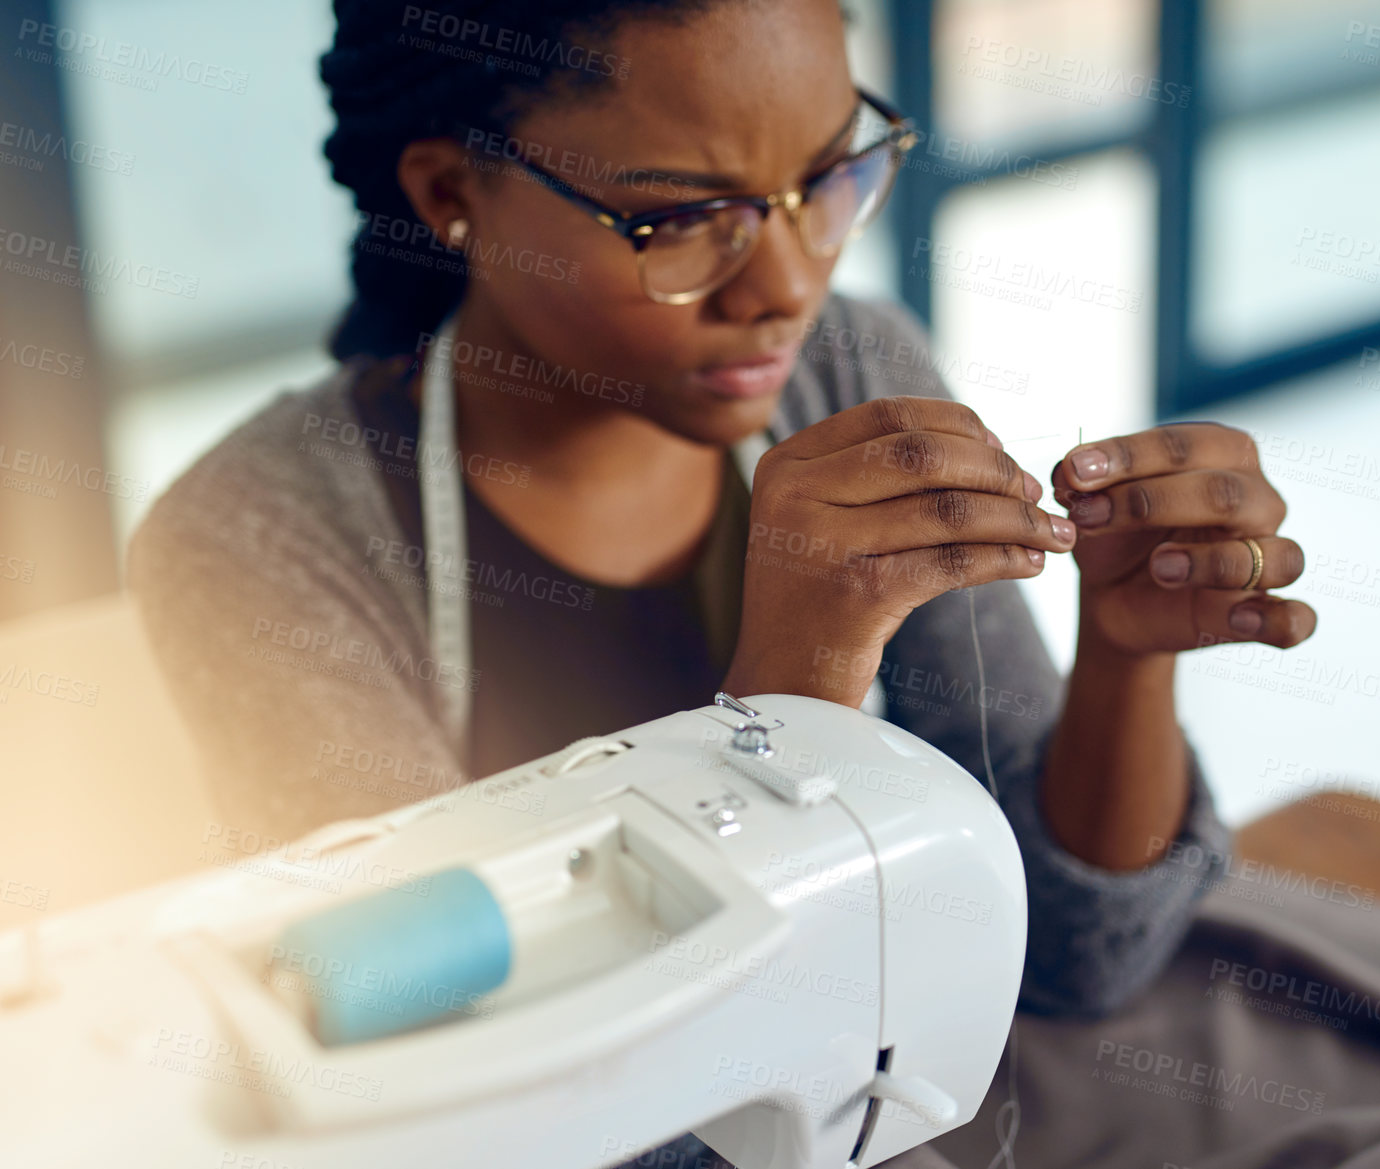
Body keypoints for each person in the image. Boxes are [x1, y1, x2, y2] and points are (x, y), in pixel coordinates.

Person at [125, 1, 1316, 1164]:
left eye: (828, 176)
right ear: (452, 195)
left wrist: (1126, 652)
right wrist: (789, 708)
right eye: (687, 218)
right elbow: (464, 1116)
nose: (787, 284)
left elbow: (1074, 957)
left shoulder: (848, 370)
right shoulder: (259, 539)